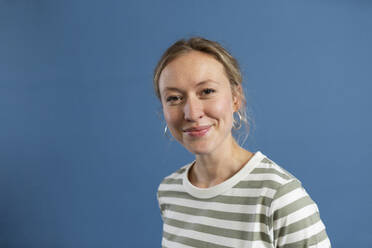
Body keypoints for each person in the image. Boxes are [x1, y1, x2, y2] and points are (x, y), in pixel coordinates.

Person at [154, 37, 331, 248]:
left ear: (236, 98)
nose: (191, 113)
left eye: (207, 91)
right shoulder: (169, 191)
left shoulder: (279, 196)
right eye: (174, 98)